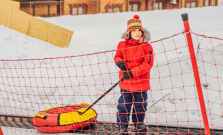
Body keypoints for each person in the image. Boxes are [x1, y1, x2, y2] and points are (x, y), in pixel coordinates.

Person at [114, 15, 154, 134]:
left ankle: (139, 124)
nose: (137, 33)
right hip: (125, 82)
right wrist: (119, 62)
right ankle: (122, 125)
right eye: (134, 31)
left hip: (141, 83)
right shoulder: (122, 45)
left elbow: (147, 64)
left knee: (140, 105)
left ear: (142, 32)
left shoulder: (147, 46)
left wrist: (131, 73)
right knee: (124, 105)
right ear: (129, 32)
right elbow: (117, 55)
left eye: (139, 30)